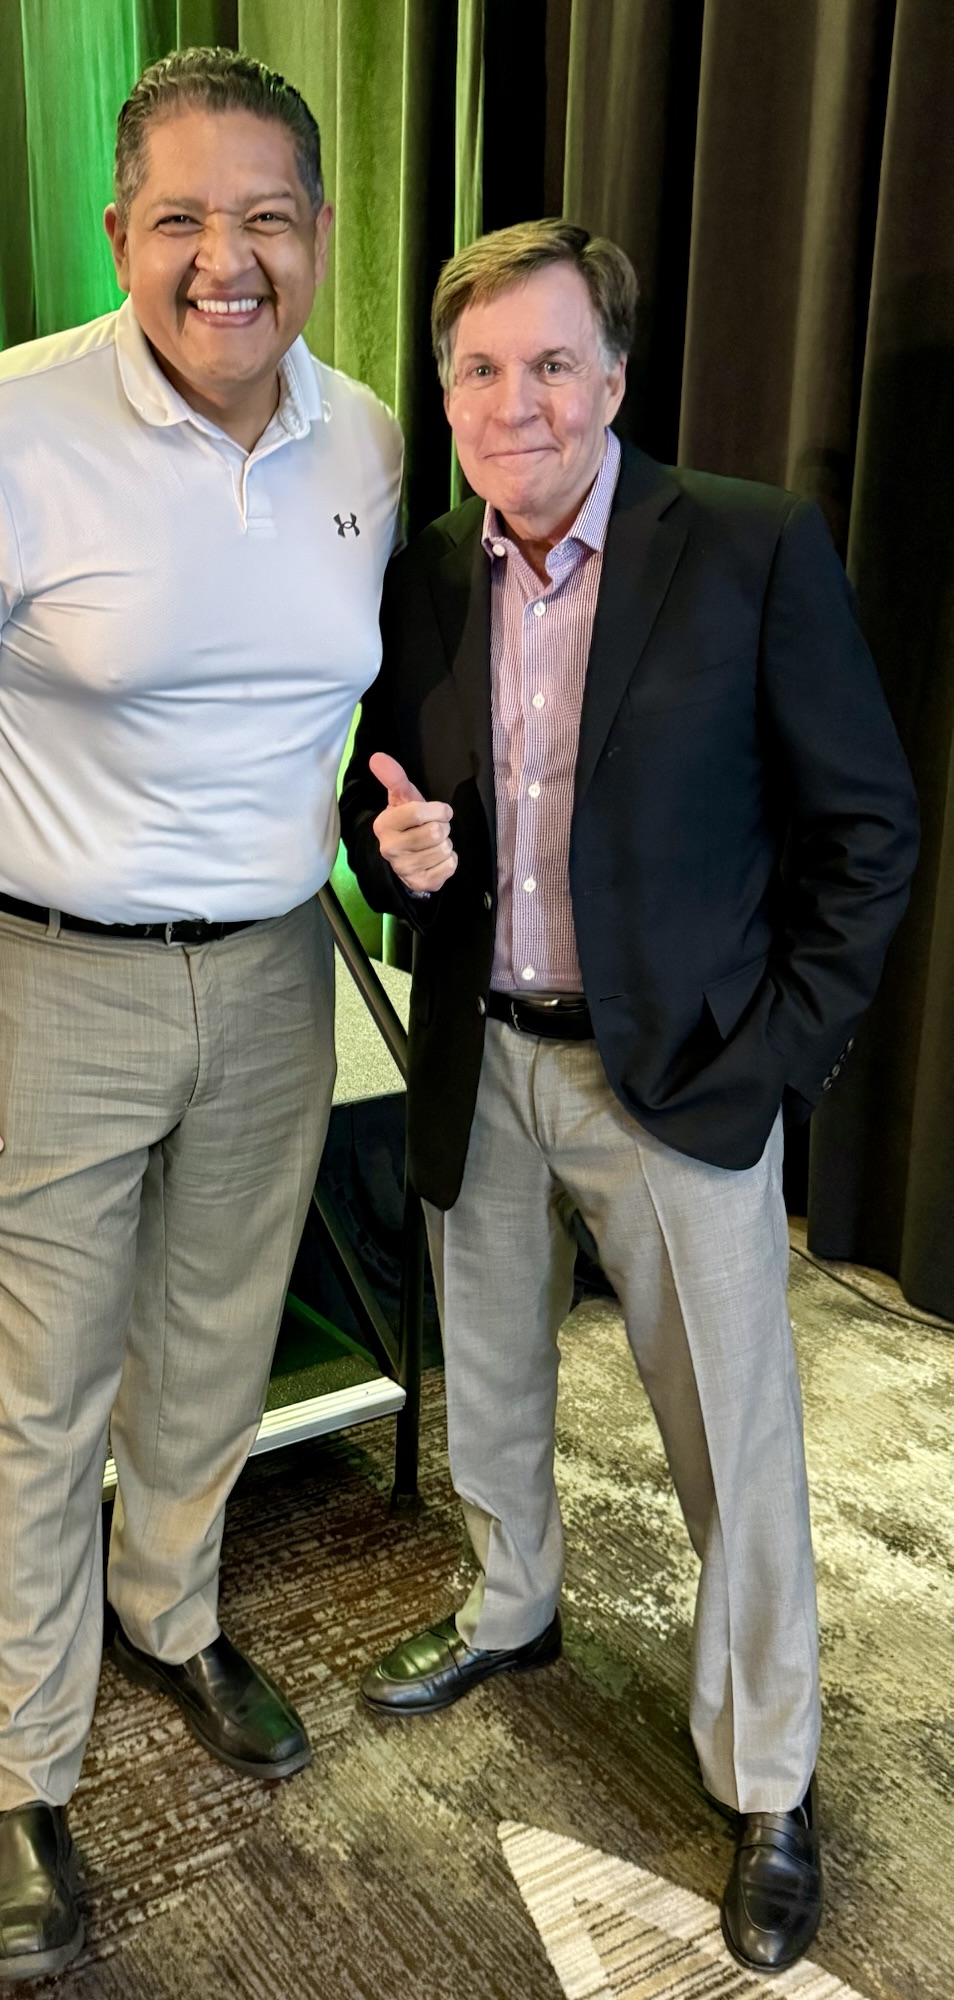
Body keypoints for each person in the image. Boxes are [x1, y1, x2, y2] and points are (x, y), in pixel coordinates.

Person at [0, 47, 401, 1983]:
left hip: (272, 973)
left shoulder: (366, 439)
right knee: (46, 1388)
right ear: (119, 233)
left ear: (319, 232)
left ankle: (175, 1616)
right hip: (46, 979)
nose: (226, 260)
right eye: (182, 220)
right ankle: (24, 1773)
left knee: (218, 1346)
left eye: (266, 220)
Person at [340, 218, 918, 1975]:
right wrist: (395, 857)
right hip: (480, 1049)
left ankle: (766, 1779)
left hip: (672, 1077)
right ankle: (509, 1606)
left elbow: (863, 830)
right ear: (445, 394)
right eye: (477, 369)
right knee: (492, 1371)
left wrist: (773, 1063)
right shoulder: (424, 572)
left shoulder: (744, 545)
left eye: (548, 362)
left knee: (728, 1442)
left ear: (610, 375)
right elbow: (388, 807)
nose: (512, 400)